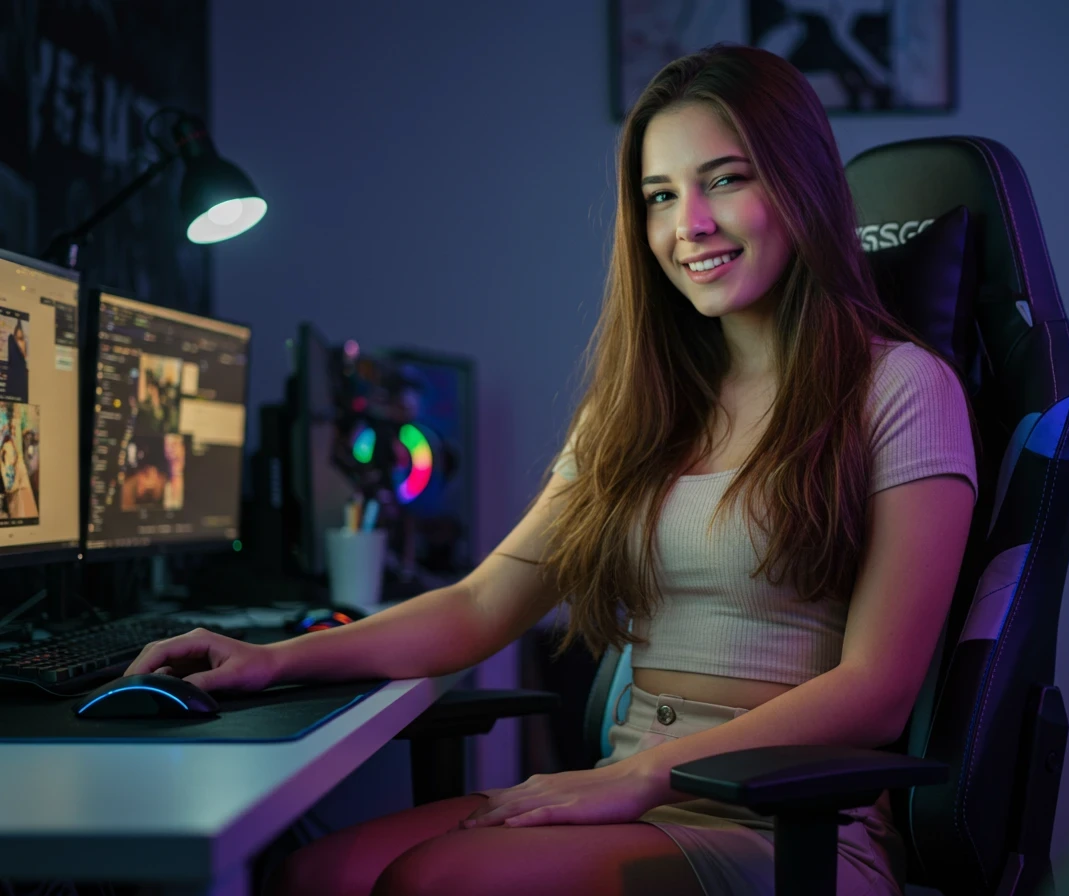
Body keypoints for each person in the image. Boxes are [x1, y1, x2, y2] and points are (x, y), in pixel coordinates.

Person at [123, 44, 979, 896]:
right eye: (660, 195)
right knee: (313, 876)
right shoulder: (638, 410)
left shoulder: (902, 388)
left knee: (437, 885)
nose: (690, 225)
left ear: (801, 185)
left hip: (791, 826)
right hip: (631, 791)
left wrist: (642, 778)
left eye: (725, 180)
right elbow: (481, 605)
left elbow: (877, 689)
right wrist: (273, 659)